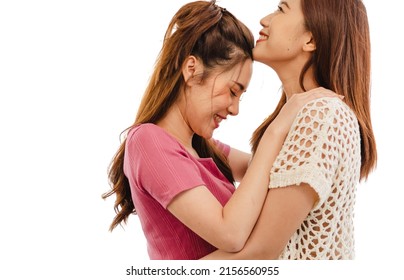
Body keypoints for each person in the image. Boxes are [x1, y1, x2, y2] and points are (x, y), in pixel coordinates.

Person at [102, 0, 341, 260]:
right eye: (233, 91)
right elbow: (231, 234)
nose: (235, 109)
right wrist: (277, 128)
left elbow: (276, 173)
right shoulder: (149, 141)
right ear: (192, 70)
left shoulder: (203, 148)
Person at [201, 0, 377, 260]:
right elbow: (248, 170)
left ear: (311, 39)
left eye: (281, 9)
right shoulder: (302, 114)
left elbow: (259, 251)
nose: (264, 20)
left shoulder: (322, 117)